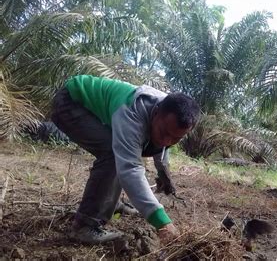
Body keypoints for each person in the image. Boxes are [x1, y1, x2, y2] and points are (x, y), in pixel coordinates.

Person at [51, 75, 200, 244]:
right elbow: (130, 168)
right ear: (156, 112)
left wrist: (163, 174)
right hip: (70, 101)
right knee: (113, 154)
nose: (167, 141)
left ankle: (110, 204)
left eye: (176, 139)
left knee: (127, 150)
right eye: (164, 132)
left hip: (88, 105)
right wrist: (162, 222)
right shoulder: (132, 112)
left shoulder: (167, 114)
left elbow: (162, 147)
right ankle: (84, 226)